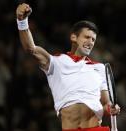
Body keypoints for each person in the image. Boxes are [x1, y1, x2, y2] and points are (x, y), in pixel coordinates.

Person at [16, 3, 120, 131]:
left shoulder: (100, 68)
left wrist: (111, 109)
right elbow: (30, 48)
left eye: (93, 40)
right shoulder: (56, 62)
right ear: (73, 37)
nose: (90, 42)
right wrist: (22, 21)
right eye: (87, 37)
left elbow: (106, 104)